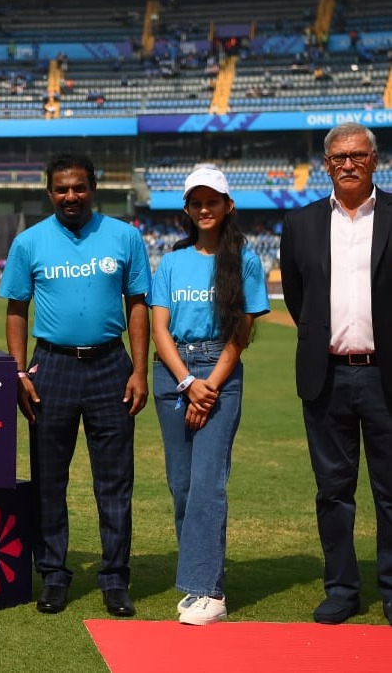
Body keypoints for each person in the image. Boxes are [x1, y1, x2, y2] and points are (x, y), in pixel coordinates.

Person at [0, 151, 150, 617]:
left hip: (111, 366)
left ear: (93, 188)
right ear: (49, 192)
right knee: (48, 480)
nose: (70, 196)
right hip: (52, 368)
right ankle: (54, 574)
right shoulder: (29, 242)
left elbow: (138, 305)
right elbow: (16, 310)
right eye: (61, 188)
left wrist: (140, 370)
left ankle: (114, 578)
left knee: (115, 482)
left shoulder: (125, 237)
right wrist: (19, 372)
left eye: (79, 187)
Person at [280, 121, 392, 626]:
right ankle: (343, 589)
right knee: (333, 491)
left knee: (390, 492)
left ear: (376, 159)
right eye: (339, 157)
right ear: (326, 164)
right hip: (325, 376)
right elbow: (302, 302)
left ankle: (391, 590)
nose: (349, 164)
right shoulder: (300, 223)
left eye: (359, 155)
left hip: (384, 376)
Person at [149, 167, 269, 625]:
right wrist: (186, 383)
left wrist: (209, 385)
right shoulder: (172, 262)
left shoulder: (245, 260)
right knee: (181, 486)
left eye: (212, 201)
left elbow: (241, 332)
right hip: (174, 373)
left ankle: (208, 591)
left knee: (207, 484)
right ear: (186, 209)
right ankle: (198, 576)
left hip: (220, 371)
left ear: (227, 206)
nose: (204, 209)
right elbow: (159, 328)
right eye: (196, 202)